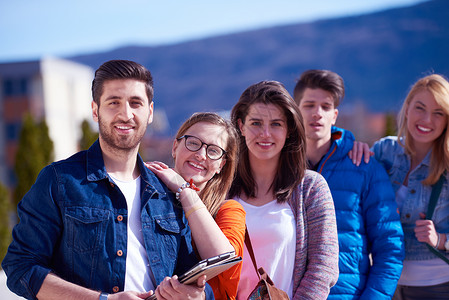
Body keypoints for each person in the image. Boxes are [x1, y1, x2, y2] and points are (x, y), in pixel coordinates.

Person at [2, 60, 214, 300]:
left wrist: (199, 295)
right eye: (114, 103)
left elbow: (194, 278)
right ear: (95, 110)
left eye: (136, 103)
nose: (126, 114)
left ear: (150, 112)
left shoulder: (166, 193)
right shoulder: (59, 181)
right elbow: (21, 267)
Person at [293, 69, 404, 299]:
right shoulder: (278, 166)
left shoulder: (364, 166)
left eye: (325, 107)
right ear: (294, 110)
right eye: (309, 105)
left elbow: (390, 246)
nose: (317, 113)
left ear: (335, 115)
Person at [228, 80, 339, 299]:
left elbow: (323, 266)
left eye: (276, 124)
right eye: (256, 123)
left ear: (289, 129)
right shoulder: (222, 187)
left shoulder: (310, 188)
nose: (265, 134)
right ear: (241, 126)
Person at [351, 74, 449, 299]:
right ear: (407, 109)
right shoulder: (385, 151)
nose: (426, 119)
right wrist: (353, 147)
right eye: (420, 108)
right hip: (385, 284)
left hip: (437, 285)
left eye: (438, 113)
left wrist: (441, 240)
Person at [146, 112, 246, 300]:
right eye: (193, 143)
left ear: (221, 166)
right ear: (175, 147)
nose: (201, 155)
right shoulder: (147, 196)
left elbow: (222, 259)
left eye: (213, 151)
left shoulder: (229, 211)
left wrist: (184, 190)